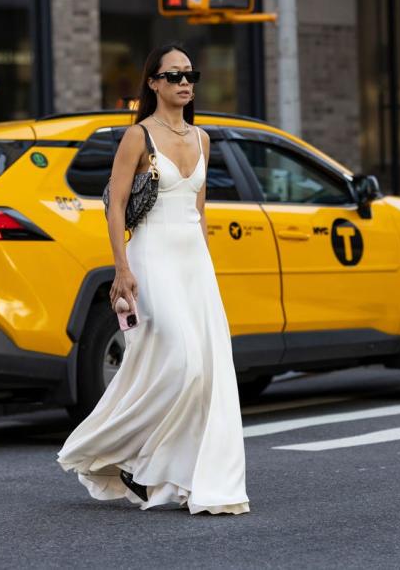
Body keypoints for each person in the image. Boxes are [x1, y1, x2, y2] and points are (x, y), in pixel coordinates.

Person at [56, 43, 250, 515]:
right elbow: (115, 204)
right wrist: (122, 269)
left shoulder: (202, 139)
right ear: (153, 82)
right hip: (151, 255)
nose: (185, 82)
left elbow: (199, 212)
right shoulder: (138, 137)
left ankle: (168, 473)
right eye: (175, 75)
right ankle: (116, 450)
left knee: (207, 373)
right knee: (184, 363)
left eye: (191, 75)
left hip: (192, 261)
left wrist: (208, 267)